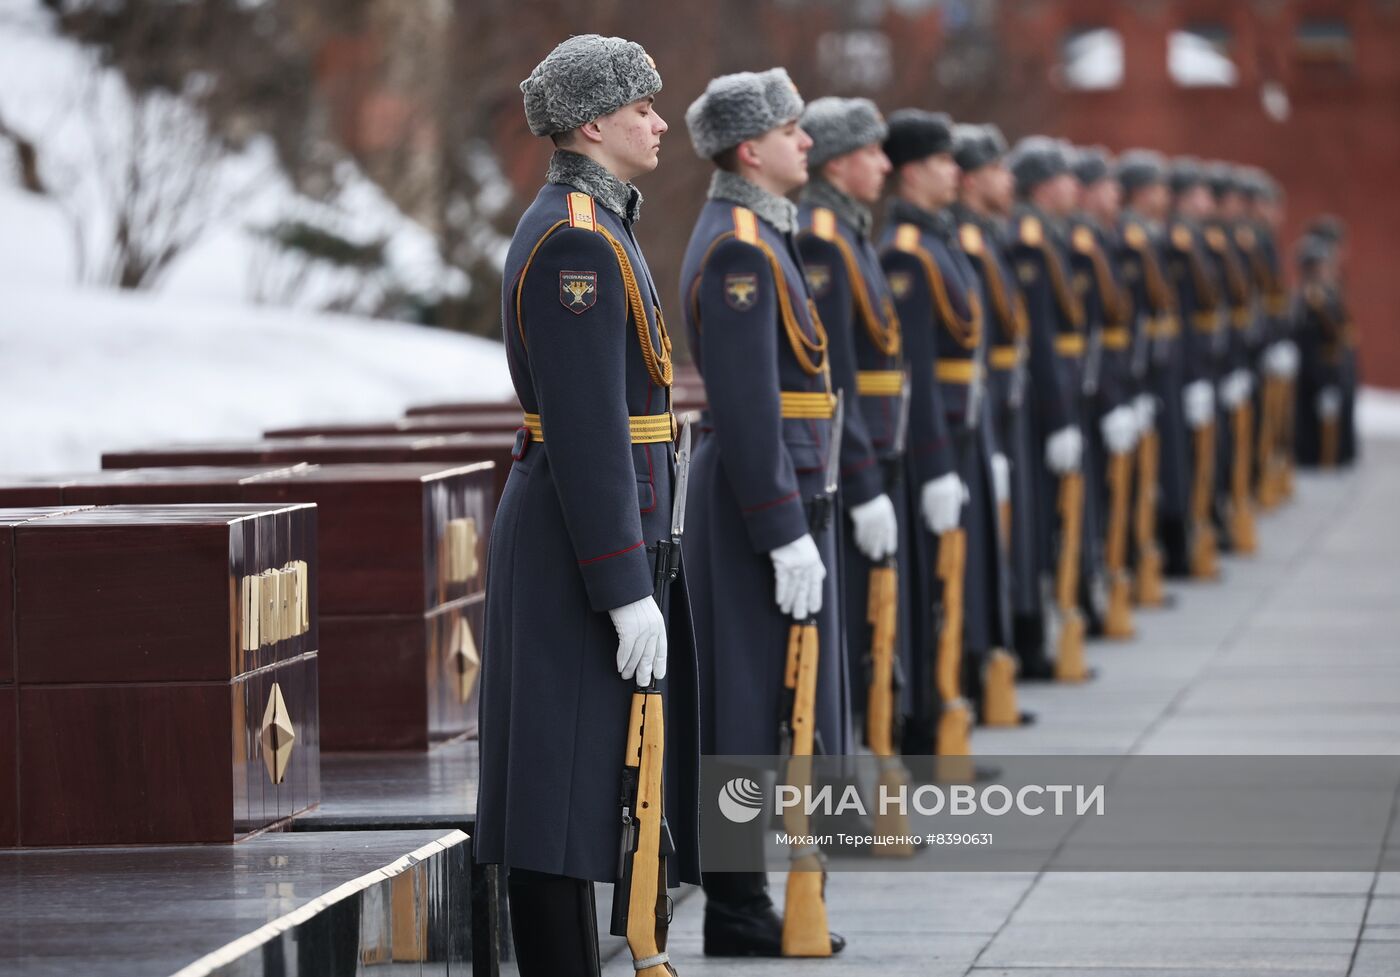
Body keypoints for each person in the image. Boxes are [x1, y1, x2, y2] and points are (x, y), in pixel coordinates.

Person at [474, 35, 700, 977]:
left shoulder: (601, 223)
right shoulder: (576, 237)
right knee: (557, 791)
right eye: (641, 105)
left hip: (600, 526)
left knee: (580, 779)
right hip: (580, 537)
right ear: (591, 123)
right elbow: (585, 427)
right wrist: (620, 583)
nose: (657, 120)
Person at [679, 67, 847, 957]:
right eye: (792, 129)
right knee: (743, 703)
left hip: (776, 484)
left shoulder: (761, 233)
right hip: (755, 495)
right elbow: (748, 406)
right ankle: (739, 906)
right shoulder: (742, 246)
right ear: (752, 148)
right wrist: (783, 526)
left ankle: (745, 901)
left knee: (762, 699)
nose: (806, 142)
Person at [879, 109, 1024, 739]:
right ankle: (931, 726)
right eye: (942, 162)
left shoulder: (939, 242)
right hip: (935, 441)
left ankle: (950, 710)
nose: (954, 173)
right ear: (912, 172)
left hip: (968, 429)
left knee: (964, 577)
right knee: (940, 584)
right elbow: (920, 370)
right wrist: (936, 463)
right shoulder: (909, 253)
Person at [793, 97, 907, 738]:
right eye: (870, 151)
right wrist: (863, 483)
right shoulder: (822, 239)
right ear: (837, 163)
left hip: (876, 447)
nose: (884, 164)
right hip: (851, 457)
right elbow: (834, 377)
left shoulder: (849, 231)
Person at [949, 123, 1059, 680]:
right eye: (994, 169)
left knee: (1018, 536)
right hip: (983, 409)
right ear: (969, 180)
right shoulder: (965, 241)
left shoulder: (986, 237)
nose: (1007, 178)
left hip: (1002, 405)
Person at [1005, 136, 1092, 679]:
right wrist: (1058, 416)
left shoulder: (1050, 235)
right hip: (1036, 402)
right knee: (1032, 526)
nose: (1074, 187)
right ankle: (1030, 643)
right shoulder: (1030, 241)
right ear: (1042, 185)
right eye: (1063, 178)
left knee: (1045, 523)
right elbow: (1038, 335)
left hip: (1053, 393)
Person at [1069, 145, 1139, 638]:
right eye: (1106, 185)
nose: (1117, 195)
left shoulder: (1100, 240)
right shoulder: (1075, 244)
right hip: (1084, 391)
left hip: (1104, 383)